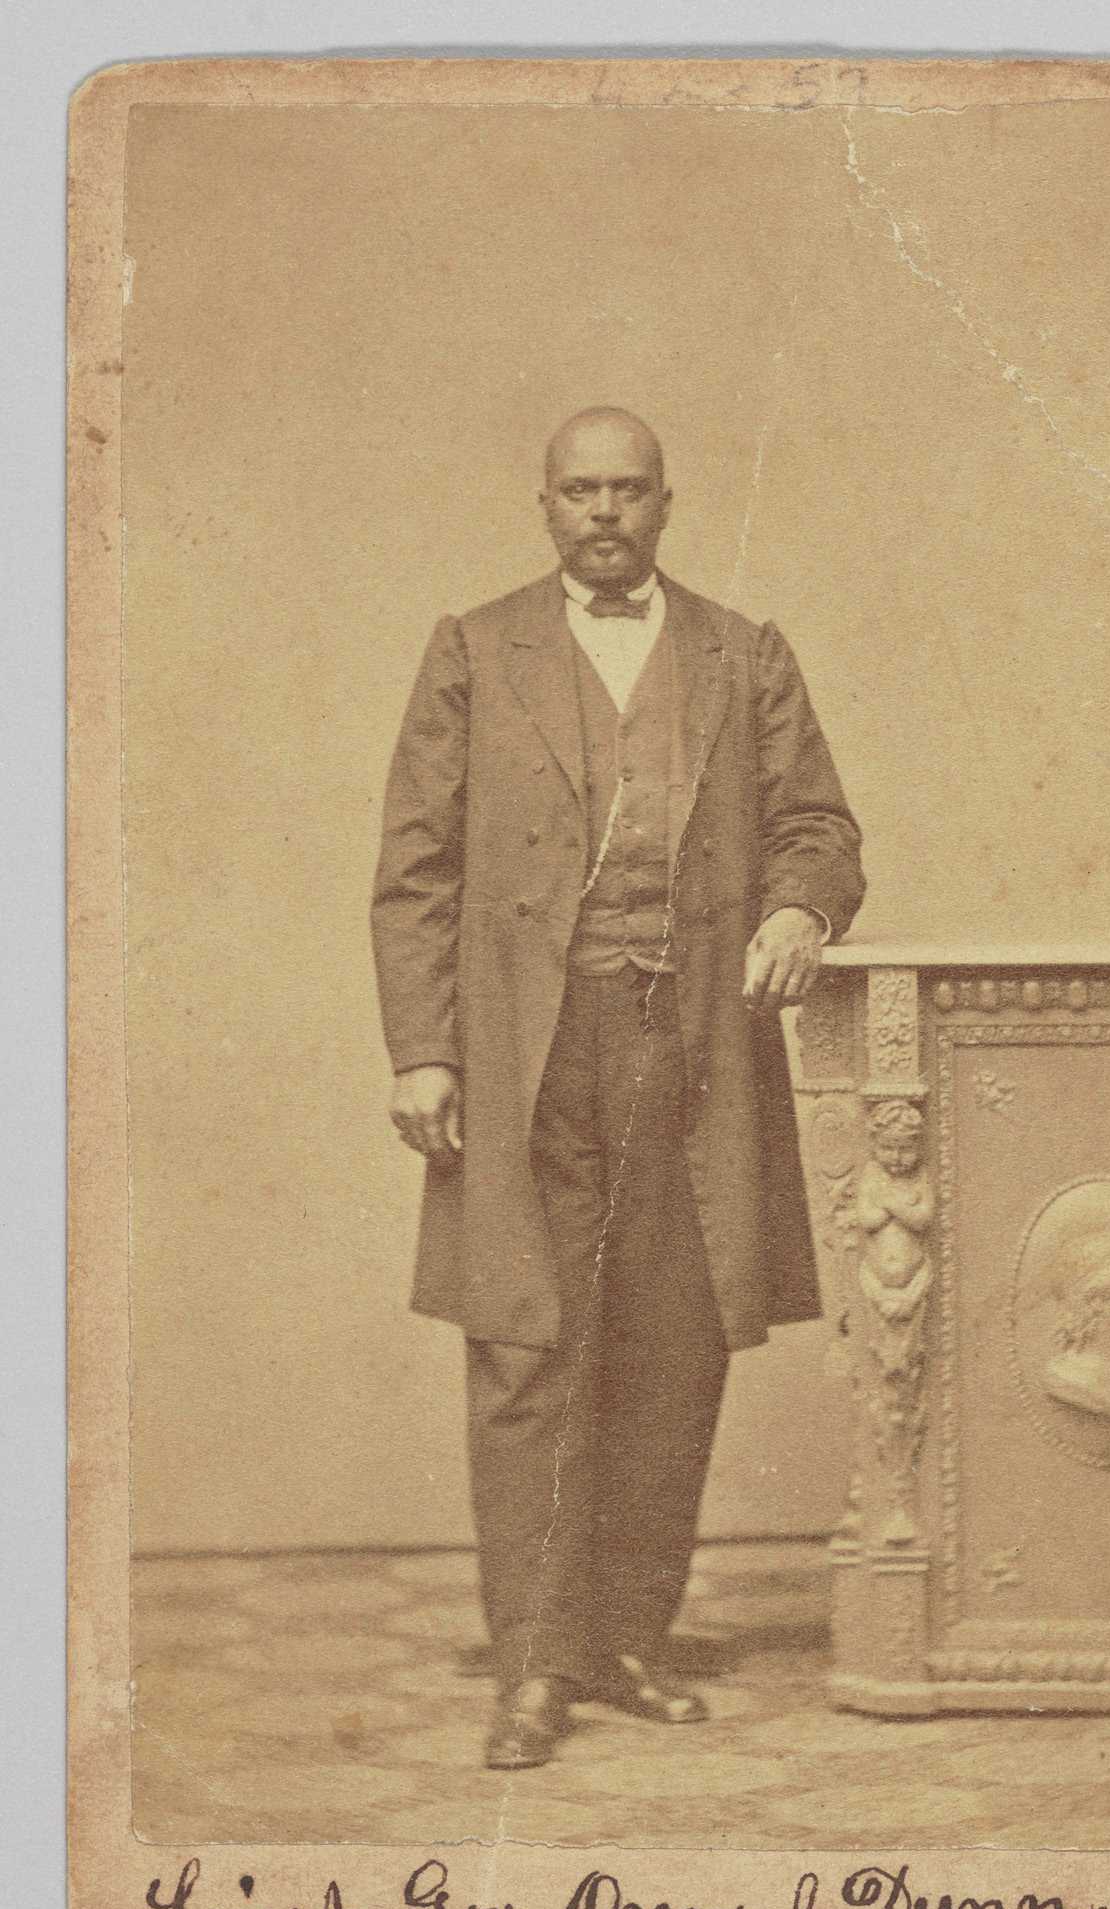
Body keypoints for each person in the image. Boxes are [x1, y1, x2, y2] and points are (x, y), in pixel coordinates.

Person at [371, 407, 864, 1767]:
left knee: (673, 1340)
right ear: (545, 506)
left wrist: (799, 914)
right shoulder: (476, 651)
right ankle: (534, 1665)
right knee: (528, 1348)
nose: (604, 513)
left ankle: (632, 1637)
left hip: (690, 1047)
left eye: (628, 490)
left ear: (666, 504)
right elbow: (415, 867)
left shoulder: (741, 654)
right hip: (528, 1054)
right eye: (580, 491)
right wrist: (423, 1047)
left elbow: (820, 825)